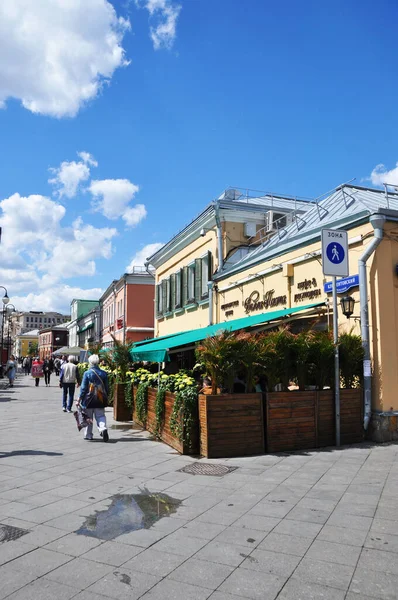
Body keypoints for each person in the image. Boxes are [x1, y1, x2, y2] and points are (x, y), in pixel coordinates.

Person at [77, 354, 109, 442]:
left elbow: (83, 388)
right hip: (100, 398)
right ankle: (103, 428)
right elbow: (107, 387)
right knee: (100, 415)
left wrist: (79, 399)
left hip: (88, 399)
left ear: (90, 362)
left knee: (88, 417)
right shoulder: (103, 373)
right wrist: (107, 397)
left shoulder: (87, 373)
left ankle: (88, 435)